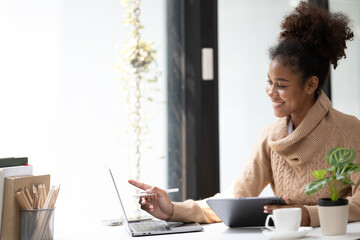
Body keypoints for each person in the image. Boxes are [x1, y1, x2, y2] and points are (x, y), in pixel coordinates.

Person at [129, 1, 360, 227]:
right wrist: (173, 209)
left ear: (311, 85)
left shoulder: (348, 131)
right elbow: (234, 199)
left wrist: (308, 215)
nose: (271, 92)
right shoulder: (271, 138)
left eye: (281, 84)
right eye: (269, 82)